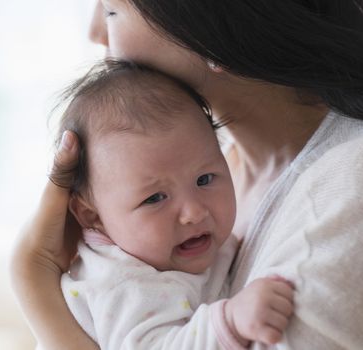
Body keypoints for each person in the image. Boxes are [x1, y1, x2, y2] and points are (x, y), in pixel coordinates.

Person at [11, 1, 363, 349]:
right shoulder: (220, 176)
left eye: (115, 10)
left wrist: (34, 281)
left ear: (211, 26)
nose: (96, 31)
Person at [52, 59, 294, 349]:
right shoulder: (123, 283)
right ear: (93, 216)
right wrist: (228, 321)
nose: (194, 212)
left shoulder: (169, 249)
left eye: (204, 179)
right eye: (154, 198)